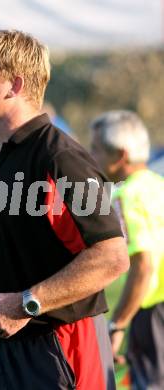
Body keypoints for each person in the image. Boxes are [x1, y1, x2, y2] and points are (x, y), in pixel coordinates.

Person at [0, 30, 129, 390]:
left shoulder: (61, 159)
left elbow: (111, 257)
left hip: (58, 348)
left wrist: (28, 303)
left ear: (14, 84)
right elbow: (14, 261)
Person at [90, 110, 164, 389]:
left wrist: (118, 324)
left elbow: (143, 266)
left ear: (120, 155)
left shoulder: (127, 194)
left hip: (153, 311)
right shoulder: (158, 185)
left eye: (96, 149)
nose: (90, 156)